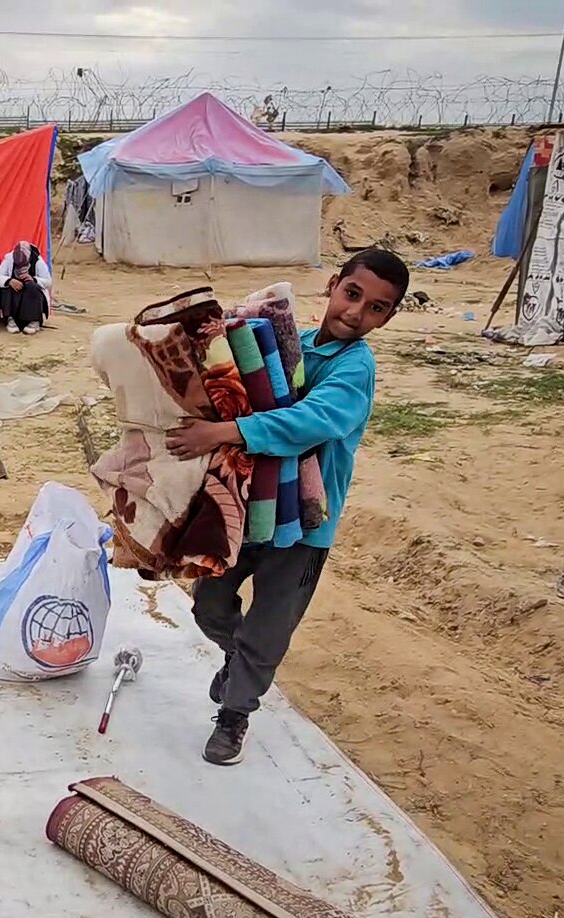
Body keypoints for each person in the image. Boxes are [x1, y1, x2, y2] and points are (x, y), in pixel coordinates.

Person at [163, 248, 407, 766]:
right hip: (249, 506)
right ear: (333, 285)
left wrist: (223, 431)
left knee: (268, 627)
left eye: (377, 308)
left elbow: (310, 422)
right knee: (209, 603)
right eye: (353, 294)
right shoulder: (284, 344)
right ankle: (236, 657)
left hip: (304, 524)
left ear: (390, 316)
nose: (357, 313)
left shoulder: (355, 368)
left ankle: (234, 716)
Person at [0, 239, 51, 334]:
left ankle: (33, 321)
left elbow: (48, 282)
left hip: (30, 295)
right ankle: (11, 320)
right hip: (14, 294)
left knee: (31, 286)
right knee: (6, 288)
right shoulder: (9, 259)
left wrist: (34, 279)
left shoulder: (38, 261)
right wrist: (9, 281)